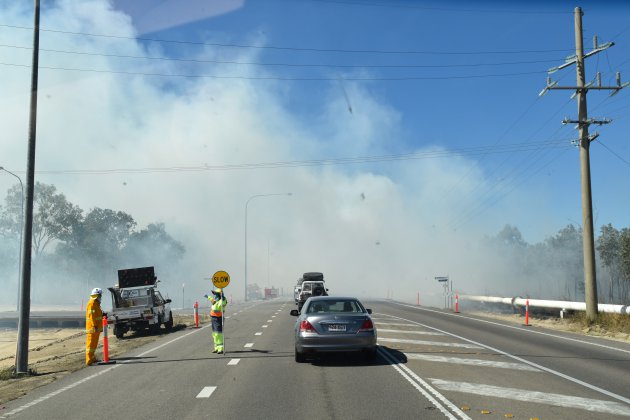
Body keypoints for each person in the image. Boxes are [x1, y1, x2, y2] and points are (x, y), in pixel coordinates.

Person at [204, 288, 227, 354]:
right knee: (214, 334)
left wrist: (223, 297)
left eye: (216, 294)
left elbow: (223, 303)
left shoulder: (222, 300)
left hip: (218, 318)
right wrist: (208, 296)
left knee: (218, 334)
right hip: (213, 318)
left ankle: (220, 348)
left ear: (220, 295)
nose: (215, 295)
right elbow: (212, 300)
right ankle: (216, 348)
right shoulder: (216, 300)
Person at [85, 287, 104, 365]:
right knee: (91, 345)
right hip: (93, 328)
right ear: (97, 296)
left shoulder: (96, 303)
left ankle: (92, 358)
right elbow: (91, 316)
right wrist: (94, 326)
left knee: (94, 345)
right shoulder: (92, 303)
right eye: (100, 296)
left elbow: (96, 315)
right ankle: (89, 360)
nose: (101, 297)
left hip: (96, 328)